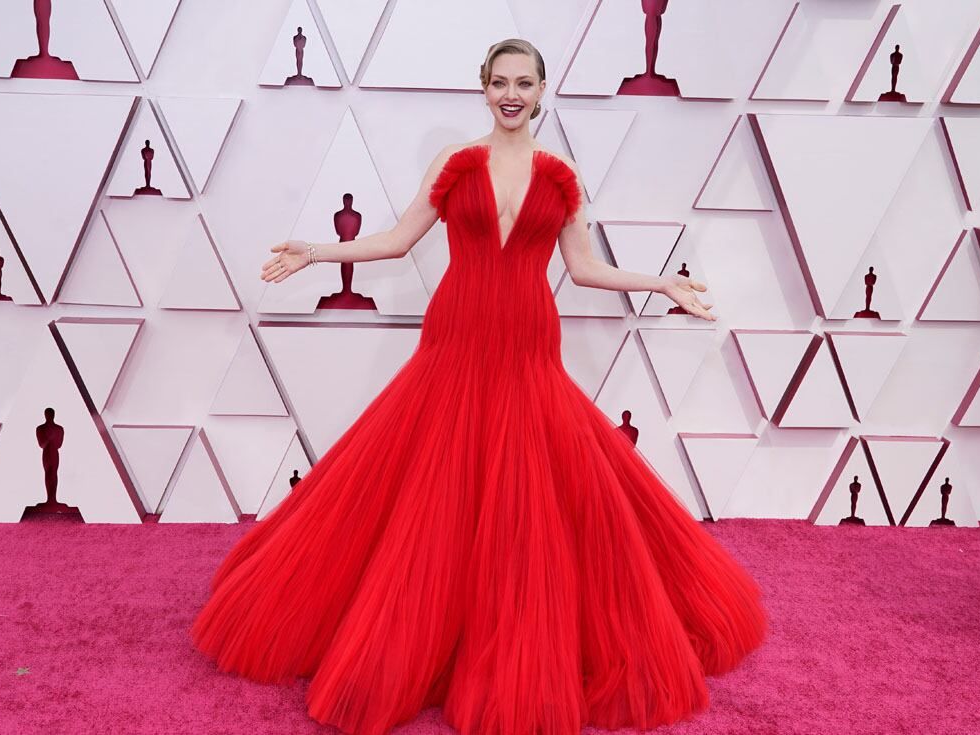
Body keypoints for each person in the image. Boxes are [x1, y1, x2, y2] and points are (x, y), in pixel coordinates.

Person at [192, 38, 767, 735]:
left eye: (524, 82)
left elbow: (583, 269)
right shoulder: (456, 163)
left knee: (527, 502)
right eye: (500, 82)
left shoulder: (562, 176)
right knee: (436, 497)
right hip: (456, 341)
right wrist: (317, 252)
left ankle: (507, 641)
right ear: (484, 88)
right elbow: (398, 240)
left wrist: (659, 281)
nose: (511, 93)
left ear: (543, 88)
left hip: (527, 347)